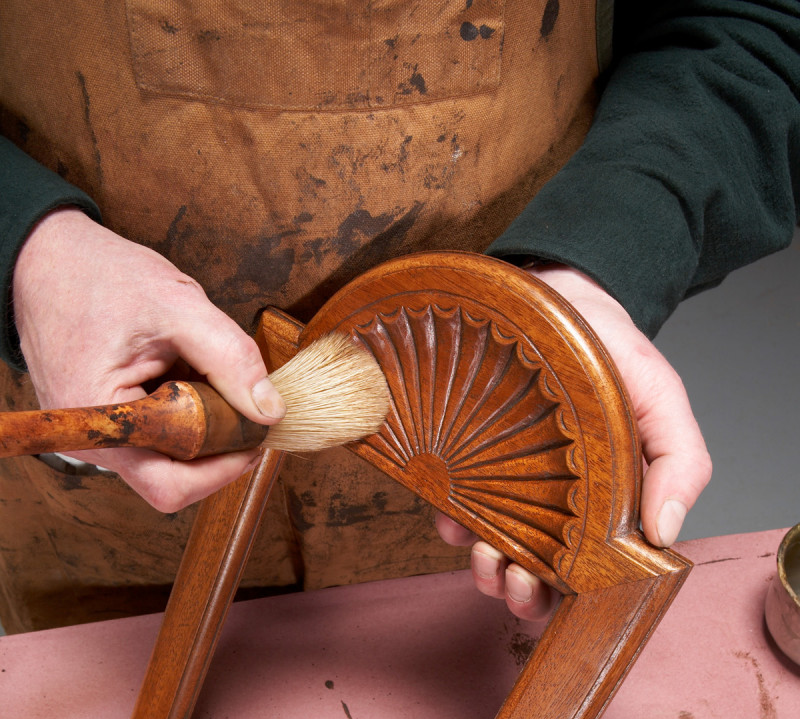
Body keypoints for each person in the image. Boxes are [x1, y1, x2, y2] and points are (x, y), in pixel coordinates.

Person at [1, 2, 798, 632]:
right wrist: (24, 248)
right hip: (86, 514)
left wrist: (595, 264)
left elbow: (757, 25)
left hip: (491, 468)